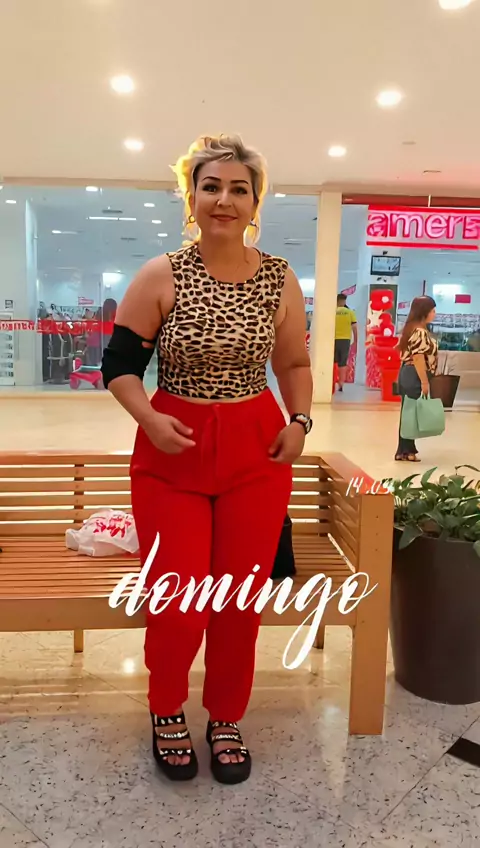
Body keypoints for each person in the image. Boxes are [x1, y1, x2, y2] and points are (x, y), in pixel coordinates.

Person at [101, 134, 313, 785]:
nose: (224, 199)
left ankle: (226, 716)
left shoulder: (278, 278)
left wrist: (300, 420)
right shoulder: (161, 274)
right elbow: (119, 365)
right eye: (211, 186)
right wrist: (148, 418)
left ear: (255, 202)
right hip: (174, 451)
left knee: (237, 602)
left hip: (257, 449)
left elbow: (294, 363)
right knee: (178, 598)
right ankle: (167, 707)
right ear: (191, 197)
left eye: (238, 189)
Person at [395, 296, 437, 462]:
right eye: (432, 310)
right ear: (424, 312)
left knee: (408, 413)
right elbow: (418, 357)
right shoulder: (419, 332)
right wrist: (425, 381)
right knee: (410, 413)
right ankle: (406, 451)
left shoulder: (411, 329)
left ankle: (404, 450)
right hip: (414, 374)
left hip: (408, 372)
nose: (434, 314)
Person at [334, 293, 357, 391]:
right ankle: (341, 384)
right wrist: (356, 340)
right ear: (343, 301)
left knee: (333, 362)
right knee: (343, 362)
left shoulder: (332, 311)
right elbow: (354, 327)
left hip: (333, 339)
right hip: (345, 340)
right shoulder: (350, 312)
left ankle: (332, 382)